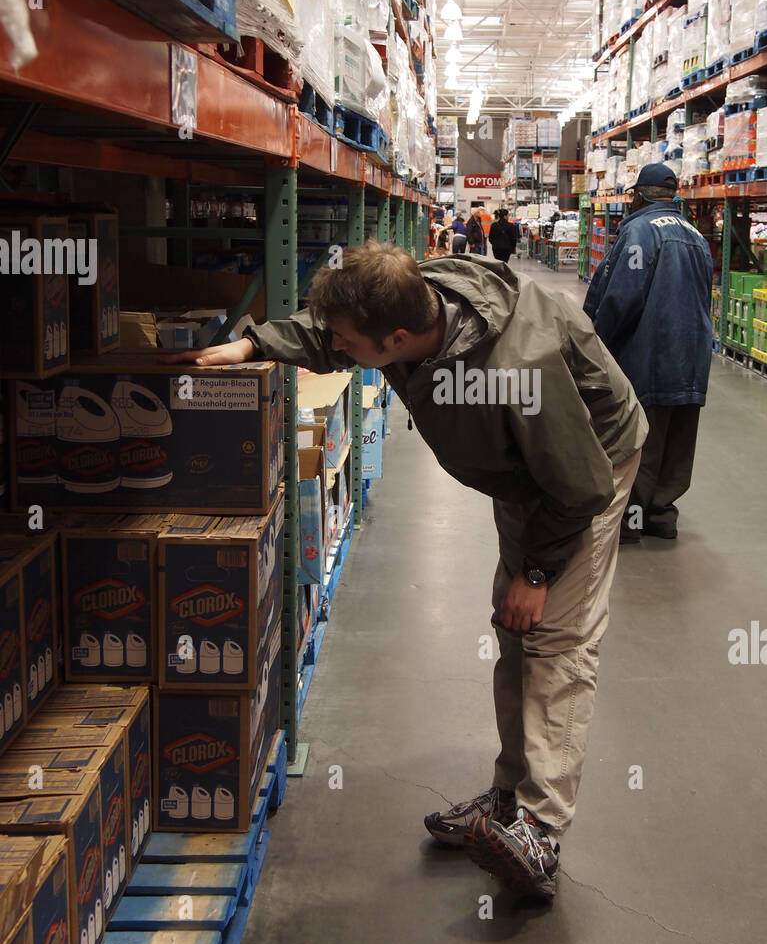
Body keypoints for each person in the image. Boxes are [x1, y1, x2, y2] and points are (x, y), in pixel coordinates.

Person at [167, 242, 647, 901]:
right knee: (512, 632)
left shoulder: (517, 365)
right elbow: (331, 331)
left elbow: (580, 484)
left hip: (582, 469)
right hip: (520, 466)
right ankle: (509, 799)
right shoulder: (412, 305)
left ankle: (540, 830)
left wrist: (536, 573)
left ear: (395, 338)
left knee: (557, 640)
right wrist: (251, 347)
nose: (333, 345)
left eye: (346, 340)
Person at [584, 163, 712, 543]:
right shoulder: (695, 236)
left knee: (640, 437)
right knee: (677, 436)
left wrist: (596, 343)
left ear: (638, 196)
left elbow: (621, 297)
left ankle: (632, 520)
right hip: (691, 355)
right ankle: (661, 515)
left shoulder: (639, 231)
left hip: (650, 353)